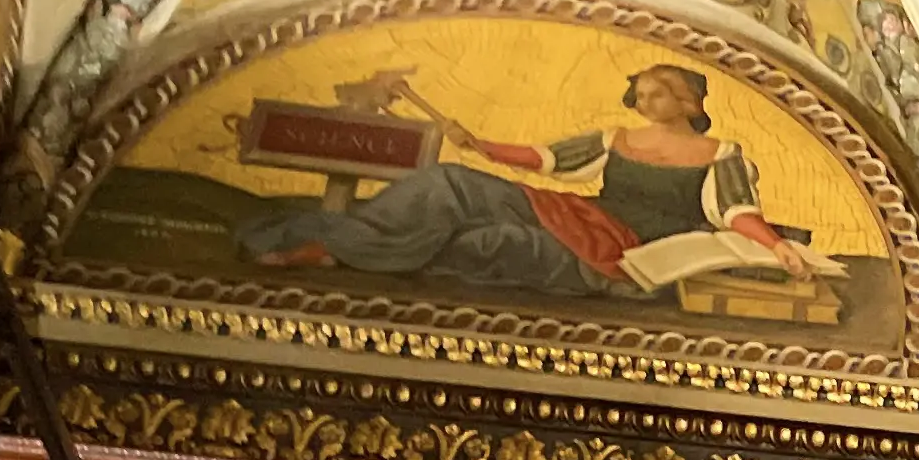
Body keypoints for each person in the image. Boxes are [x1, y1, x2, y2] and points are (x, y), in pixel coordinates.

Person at [234, 63, 821, 296]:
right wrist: (480, 145)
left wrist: (778, 249)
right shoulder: (616, 138)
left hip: (628, 255)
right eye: (641, 92)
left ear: (690, 99)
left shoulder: (721, 152)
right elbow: (546, 160)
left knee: (498, 245)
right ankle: (335, 239)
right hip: (583, 219)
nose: (647, 99)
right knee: (450, 183)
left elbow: (735, 213)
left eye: (660, 91)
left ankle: (338, 255)